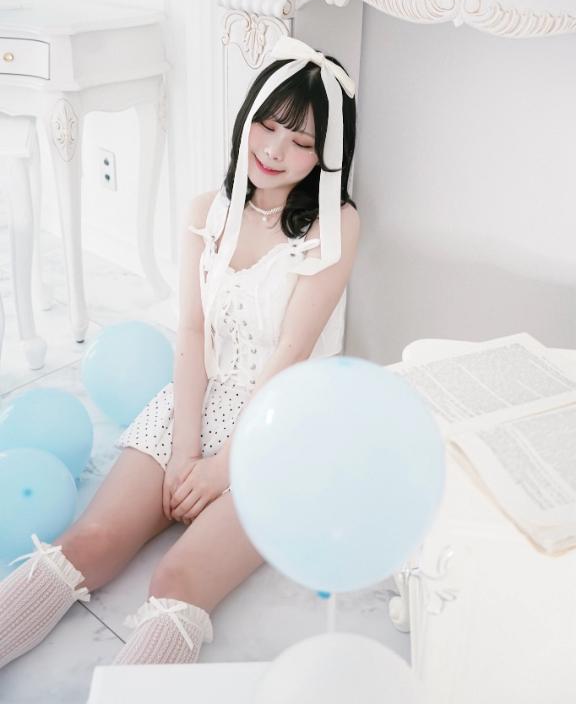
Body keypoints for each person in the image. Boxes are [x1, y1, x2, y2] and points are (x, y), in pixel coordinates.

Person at [0, 36, 360, 669]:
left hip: (281, 425)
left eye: (301, 141)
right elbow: (192, 333)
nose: (275, 150)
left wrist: (224, 466)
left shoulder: (336, 225)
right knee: (89, 540)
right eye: (268, 125)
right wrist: (185, 449)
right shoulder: (205, 212)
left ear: (327, 154)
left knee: (178, 579)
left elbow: (293, 349)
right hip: (196, 403)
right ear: (246, 118)